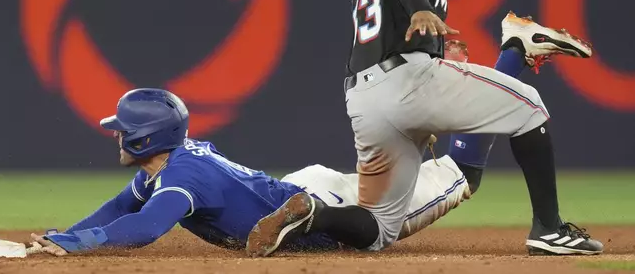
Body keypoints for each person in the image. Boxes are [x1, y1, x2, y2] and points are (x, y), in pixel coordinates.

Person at [244, 0, 603, 258]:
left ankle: (316, 216)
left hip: (364, 99)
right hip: (409, 80)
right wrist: (418, 7)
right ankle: (549, 228)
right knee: (529, 106)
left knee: (380, 227)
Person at [28, 88, 470, 257]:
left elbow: (145, 226)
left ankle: (512, 56)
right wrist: (66, 236)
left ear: (146, 139)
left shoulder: (182, 179)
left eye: (123, 130)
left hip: (330, 206)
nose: (116, 136)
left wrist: (78, 244)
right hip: (298, 190)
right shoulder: (168, 163)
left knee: (463, 176)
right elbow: (123, 205)